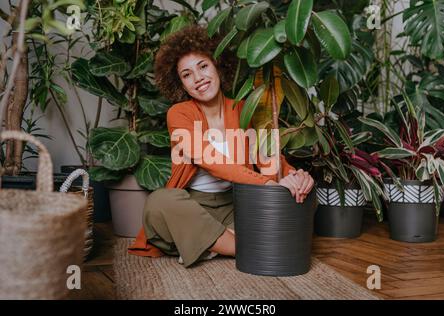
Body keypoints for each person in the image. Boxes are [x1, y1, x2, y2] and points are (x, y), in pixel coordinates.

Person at [128, 25, 315, 267]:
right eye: (187, 75)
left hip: (234, 205)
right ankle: (249, 246)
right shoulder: (178, 114)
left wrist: (295, 176)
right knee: (160, 202)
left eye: (203, 66)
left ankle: (209, 243)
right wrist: (268, 182)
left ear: (218, 65)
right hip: (191, 204)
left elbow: (267, 156)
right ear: (181, 84)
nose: (198, 79)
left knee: (293, 198)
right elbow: (211, 160)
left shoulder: (243, 107)